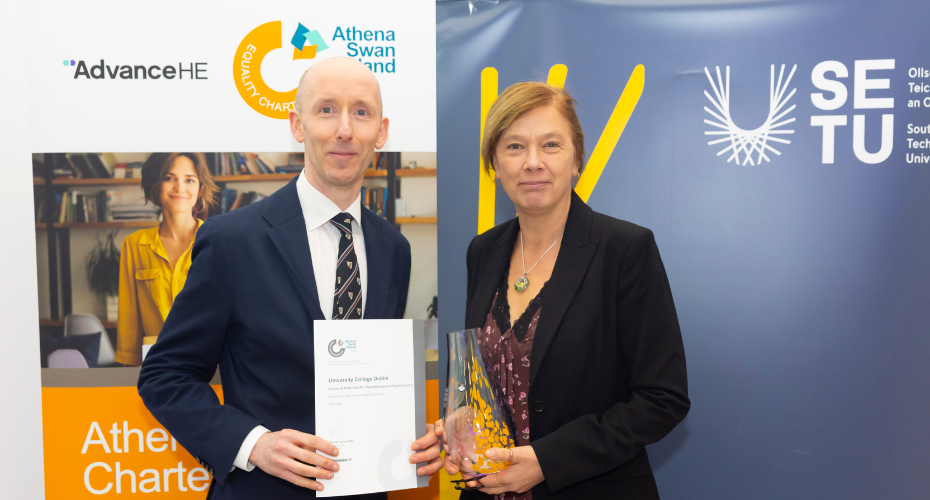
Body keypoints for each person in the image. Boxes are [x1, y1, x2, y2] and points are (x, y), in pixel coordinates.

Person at [138, 58, 443, 499]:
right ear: (297, 125)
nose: (344, 129)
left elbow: (372, 377)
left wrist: (412, 443)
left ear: (381, 131)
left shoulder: (393, 249)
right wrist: (254, 444)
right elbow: (164, 375)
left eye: (361, 112)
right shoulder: (231, 241)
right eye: (326, 110)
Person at [442, 82, 690, 499]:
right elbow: (482, 374)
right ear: (494, 164)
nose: (532, 162)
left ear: (577, 159)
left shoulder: (624, 250)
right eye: (515, 147)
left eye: (551, 145)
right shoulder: (483, 251)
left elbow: (663, 398)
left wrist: (547, 461)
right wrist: (461, 420)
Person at [115, 152, 218, 366]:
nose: (179, 187)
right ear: (155, 184)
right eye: (169, 178)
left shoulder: (218, 242)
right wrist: (129, 368)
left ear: (200, 189)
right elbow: (129, 318)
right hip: (155, 365)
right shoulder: (134, 245)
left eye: (189, 180)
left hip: (209, 363)